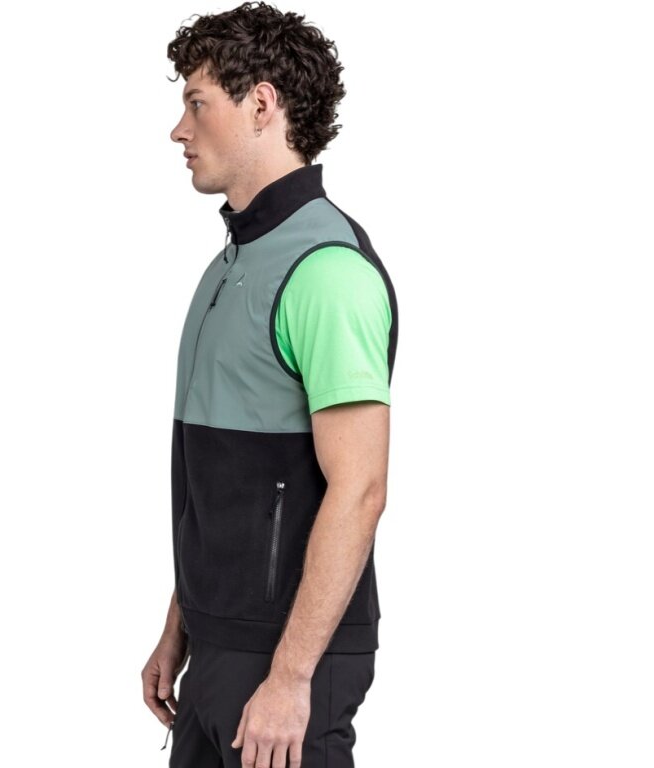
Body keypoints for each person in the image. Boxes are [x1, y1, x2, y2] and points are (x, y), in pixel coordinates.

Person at [141, 3, 399, 766]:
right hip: (219, 645)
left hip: (286, 661)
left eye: (197, 104)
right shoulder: (231, 267)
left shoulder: (326, 272)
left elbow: (361, 488)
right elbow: (225, 484)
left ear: (261, 104)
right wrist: (180, 625)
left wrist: (290, 678)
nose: (179, 130)